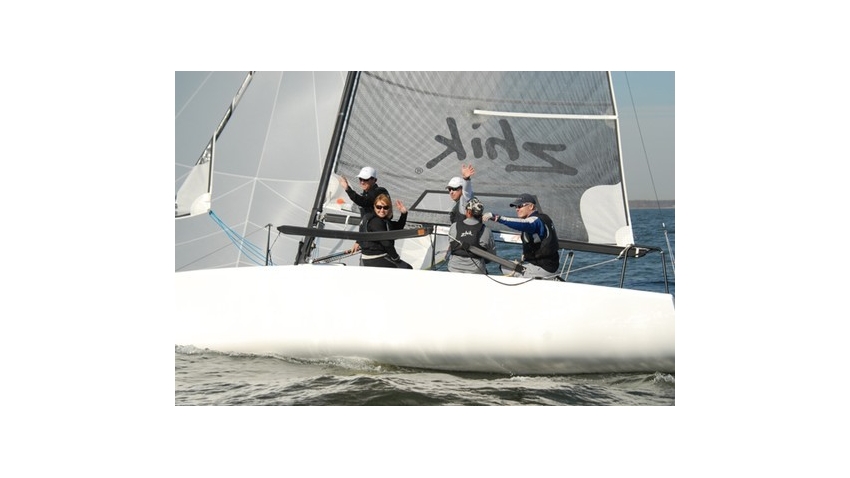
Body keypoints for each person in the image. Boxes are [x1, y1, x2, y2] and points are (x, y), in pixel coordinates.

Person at [483, 193, 561, 278]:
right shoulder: (544, 217)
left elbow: (523, 224)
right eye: (516, 207)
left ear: (531, 207)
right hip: (550, 267)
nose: (517, 209)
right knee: (505, 265)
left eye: (520, 206)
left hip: (543, 269)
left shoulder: (536, 220)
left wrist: (497, 218)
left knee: (504, 268)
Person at [338, 166, 390, 253]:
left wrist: (347, 189)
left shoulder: (380, 192)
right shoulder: (366, 195)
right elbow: (364, 220)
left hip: (379, 243)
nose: (362, 182)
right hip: (368, 242)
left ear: (374, 180)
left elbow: (364, 202)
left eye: (365, 179)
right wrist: (359, 240)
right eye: (360, 179)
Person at [359, 193, 413, 269]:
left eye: (385, 207)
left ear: (389, 208)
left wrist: (404, 214)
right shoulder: (376, 222)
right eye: (379, 207)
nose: (382, 210)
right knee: (407, 268)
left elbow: (398, 227)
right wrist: (396, 258)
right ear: (374, 207)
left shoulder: (381, 220)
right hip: (374, 258)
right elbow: (386, 243)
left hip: (374, 258)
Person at [447, 197, 495, 274]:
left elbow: (450, 246)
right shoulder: (486, 230)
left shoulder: (454, 226)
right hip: (476, 271)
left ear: (468, 212)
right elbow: (491, 257)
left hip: (453, 269)